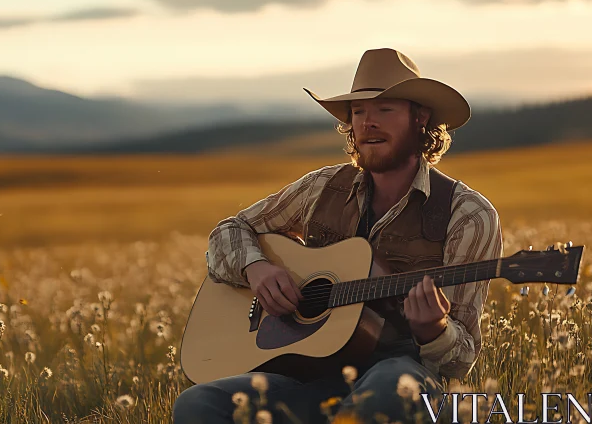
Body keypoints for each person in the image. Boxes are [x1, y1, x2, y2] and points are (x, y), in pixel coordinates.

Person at [172, 48, 503, 423]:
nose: (368, 123)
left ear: (420, 118)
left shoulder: (467, 215)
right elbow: (229, 231)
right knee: (197, 405)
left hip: (400, 380)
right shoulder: (321, 187)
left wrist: (434, 330)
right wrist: (257, 269)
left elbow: (460, 361)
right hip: (306, 375)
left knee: (389, 388)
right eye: (358, 112)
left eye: (384, 110)